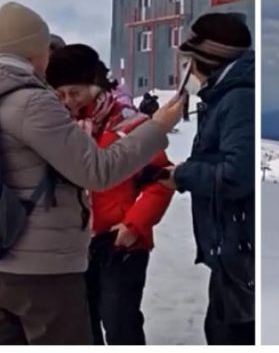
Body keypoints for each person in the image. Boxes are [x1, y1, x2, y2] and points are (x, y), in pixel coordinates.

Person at [0, 1, 185, 345]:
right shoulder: (32, 102)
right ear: (35, 52)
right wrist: (157, 127)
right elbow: (96, 171)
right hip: (43, 266)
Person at [46, 44, 174, 345]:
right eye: (60, 94)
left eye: (75, 92)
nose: (68, 102)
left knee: (120, 323)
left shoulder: (131, 124)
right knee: (84, 323)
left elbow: (161, 181)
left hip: (121, 243)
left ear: (95, 85)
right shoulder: (58, 128)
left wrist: (133, 226)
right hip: (76, 243)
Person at [159, 12, 255, 345]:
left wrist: (184, 175)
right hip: (232, 247)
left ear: (206, 60)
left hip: (240, 247)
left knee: (231, 334)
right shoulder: (224, 95)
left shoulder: (238, 99)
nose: (184, 70)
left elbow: (236, 174)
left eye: (187, 61)